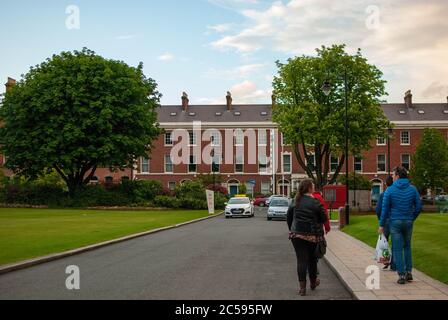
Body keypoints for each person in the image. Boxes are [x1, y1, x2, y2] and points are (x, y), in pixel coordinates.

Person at [379, 166, 422, 285]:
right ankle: (409, 272)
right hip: (408, 221)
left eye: (393, 175)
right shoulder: (413, 189)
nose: (392, 177)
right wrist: (411, 218)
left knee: (397, 248)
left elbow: (385, 209)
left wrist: (381, 224)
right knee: (407, 246)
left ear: (397, 176)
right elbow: (418, 207)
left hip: (395, 222)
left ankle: (401, 274)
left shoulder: (390, 190)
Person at [287, 179, 327, 296]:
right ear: (309, 188)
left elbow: (289, 217)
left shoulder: (295, 201)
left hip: (296, 235)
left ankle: (302, 289)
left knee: (301, 260)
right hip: (312, 236)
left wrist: (292, 229)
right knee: (312, 260)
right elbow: (323, 218)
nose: (314, 187)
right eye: (313, 186)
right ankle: (313, 283)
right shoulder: (315, 202)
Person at [375, 176, 395, 270]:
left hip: (386, 220)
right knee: (395, 242)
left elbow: (378, 209)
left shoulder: (383, 194)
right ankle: (394, 263)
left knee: (384, 242)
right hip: (394, 219)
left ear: (386, 184)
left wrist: (381, 221)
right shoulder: (395, 193)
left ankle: (386, 261)